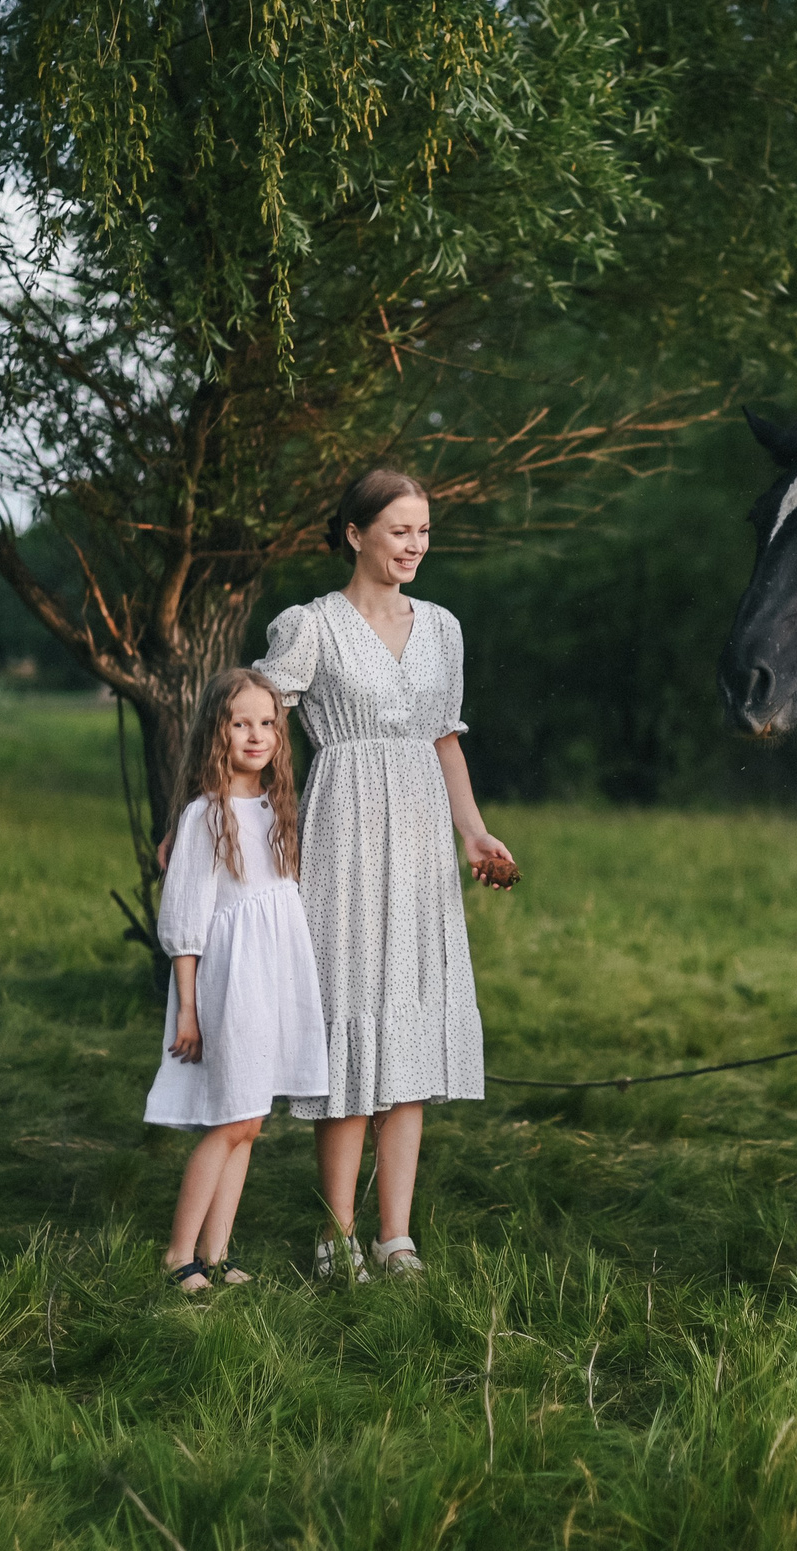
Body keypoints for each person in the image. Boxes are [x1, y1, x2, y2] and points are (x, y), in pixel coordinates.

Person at [253, 469, 514, 1281]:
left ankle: (394, 1236)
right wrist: (241, 819)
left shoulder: (443, 627)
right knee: (351, 1036)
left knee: (408, 1036)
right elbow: (257, 724)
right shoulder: (312, 626)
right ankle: (336, 1237)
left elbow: (444, 740)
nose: (415, 546)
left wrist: (473, 833)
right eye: (400, 530)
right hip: (343, 835)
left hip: (423, 845)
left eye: (424, 531)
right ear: (355, 533)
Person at [149, 668, 329, 1293]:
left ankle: (217, 1253)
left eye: (268, 723)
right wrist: (189, 1011)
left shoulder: (276, 807)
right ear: (216, 733)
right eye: (240, 723)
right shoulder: (206, 816)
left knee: (251, 1121)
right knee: (227, 1120)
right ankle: (179, 1256)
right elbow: (185, 922)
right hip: (229, 983)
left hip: (274, 979)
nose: (256, 735)